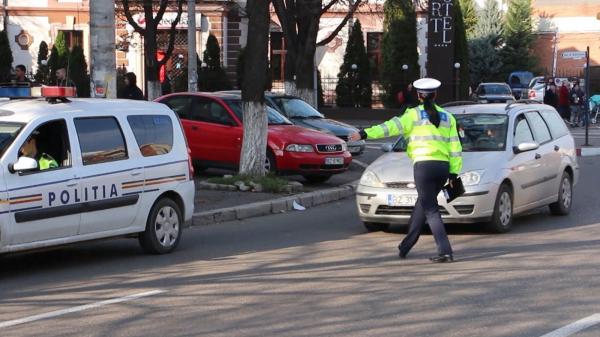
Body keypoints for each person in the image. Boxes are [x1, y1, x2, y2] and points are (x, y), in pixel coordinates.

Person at [349, 78, 462, 263]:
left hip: (424, 167)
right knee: (423, 205)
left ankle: (445, 251)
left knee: (431, 209)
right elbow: (456, 147)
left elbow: (388, 128)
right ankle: (406, 246)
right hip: (443, 168)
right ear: (436, 95)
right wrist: (453, 173)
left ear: (418, 96)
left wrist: (363, 133)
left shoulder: (412, 115)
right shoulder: (448, 117)